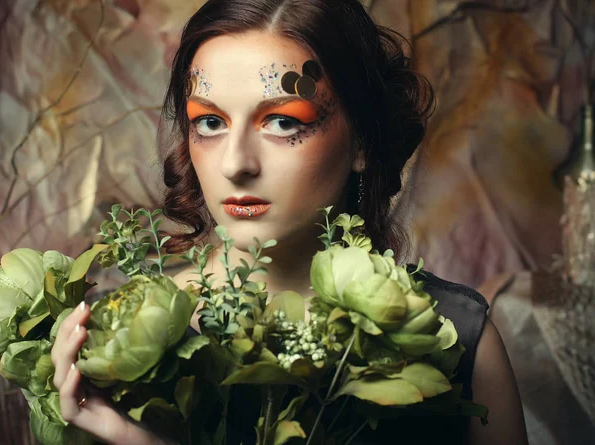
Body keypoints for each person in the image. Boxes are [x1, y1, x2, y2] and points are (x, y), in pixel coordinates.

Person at [50, 0, 528, 444]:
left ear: (361, 141)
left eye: (282, 121)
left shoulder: (457, 341)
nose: (236, 164)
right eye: (210, 122)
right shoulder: (113, 342)